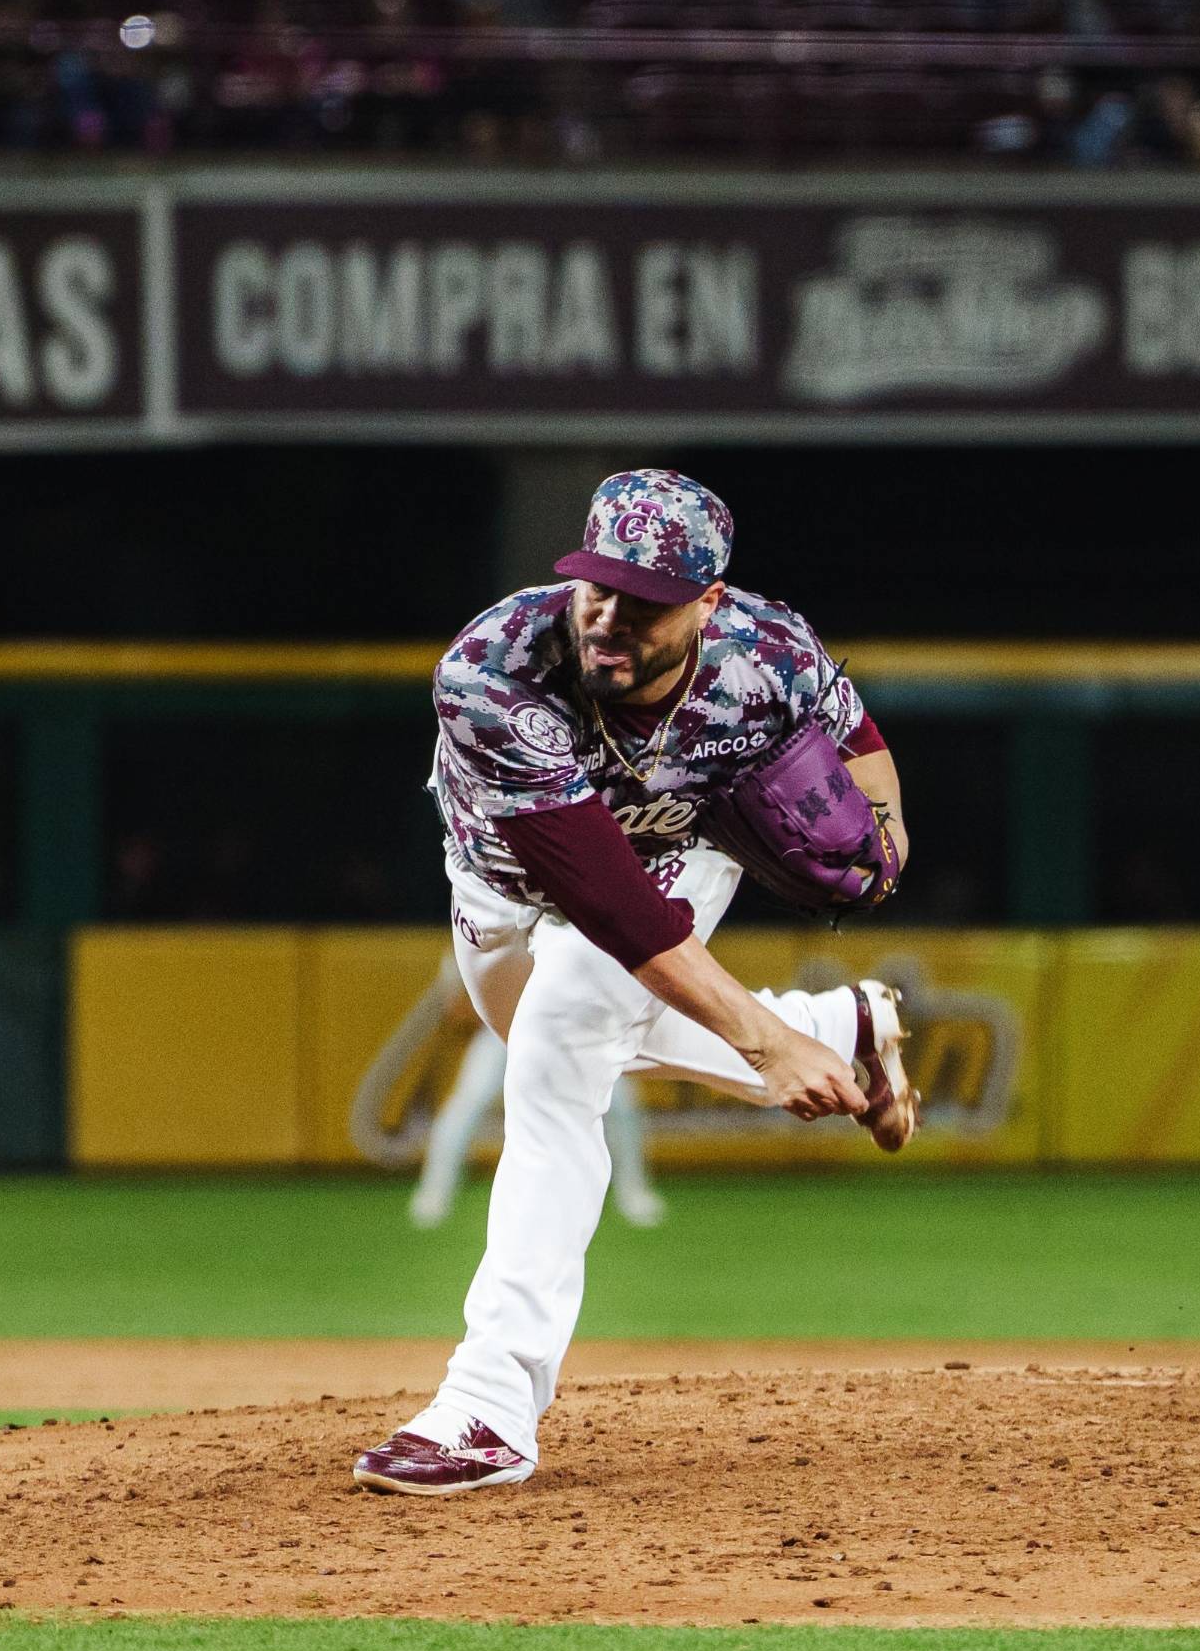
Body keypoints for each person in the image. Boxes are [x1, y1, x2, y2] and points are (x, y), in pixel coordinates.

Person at [354, 470, 916, 1495]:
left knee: (560, 1053)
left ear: (708, 603)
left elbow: (861, 744)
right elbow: (608, 906)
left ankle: (487, 1405)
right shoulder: (494, 672)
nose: (608, 617)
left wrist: (882, 843)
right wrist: (770, 1039)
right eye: (597, 588)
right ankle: (841, 1028)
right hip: (506, 883)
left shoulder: (767, 651)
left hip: (679, 852)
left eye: (644, 601)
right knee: (546, 1032)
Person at [410, 1009, 666, 1231]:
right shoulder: (487, 950)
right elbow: (463, 996)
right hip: (504, 1031)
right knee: (468, 1102)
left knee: (620, 1106)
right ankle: (434, 1193)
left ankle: (633, 1193)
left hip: (575, 1033)